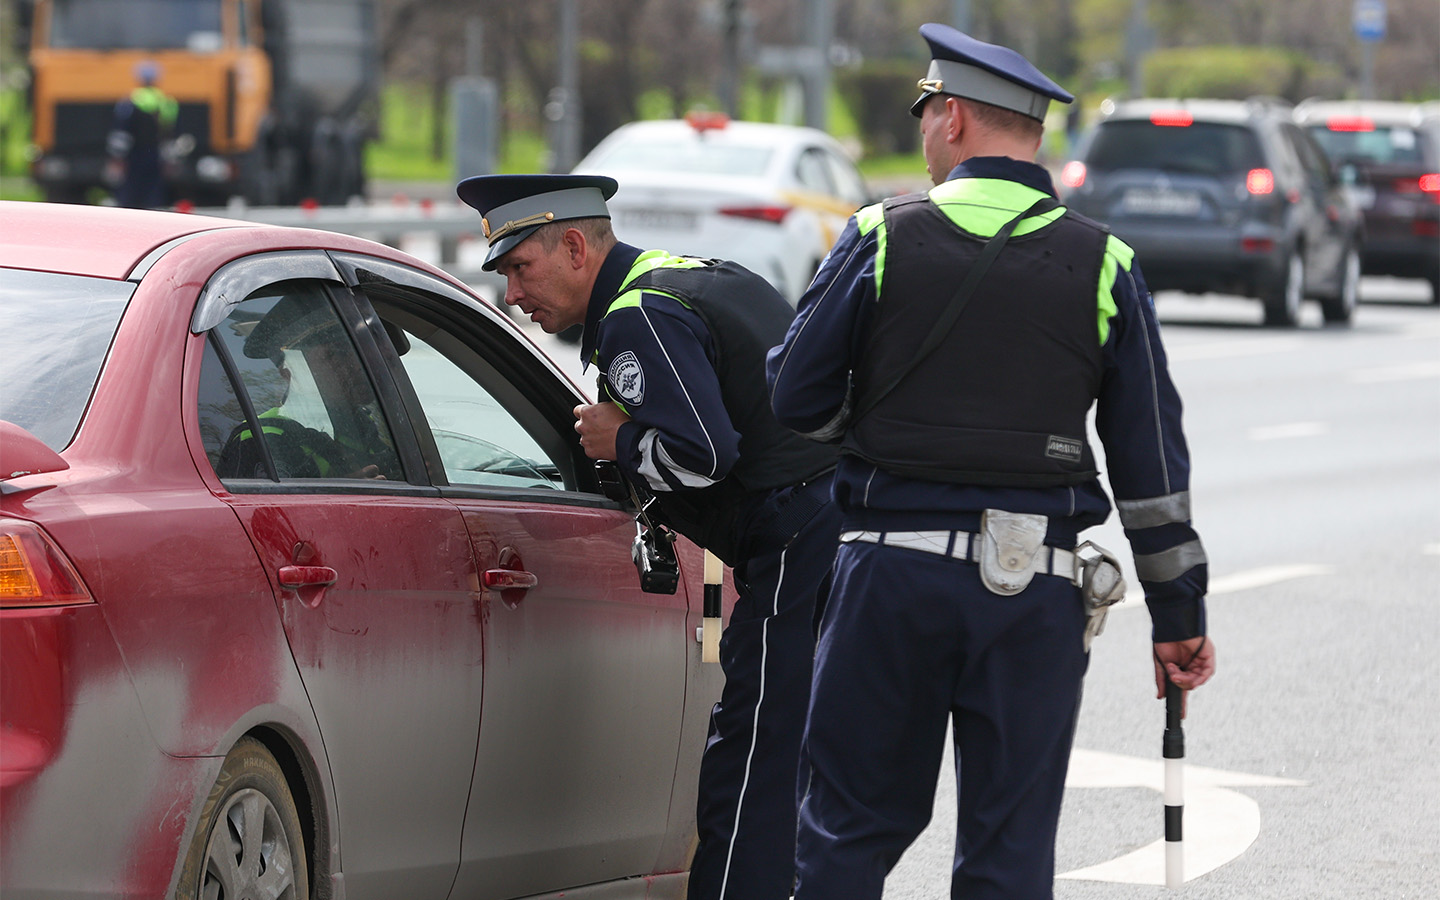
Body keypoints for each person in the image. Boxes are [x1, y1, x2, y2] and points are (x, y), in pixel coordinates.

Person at [766, 24, 1216, 900]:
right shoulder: (1105, 264)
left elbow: (794, 399)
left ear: (956, 121)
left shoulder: (881, 236)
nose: (924, 129)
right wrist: (1178, 615)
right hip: (1033, 595)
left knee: (846, 835)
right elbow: (1150, 466)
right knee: (1008, 859)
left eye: (927, 111)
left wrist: (879, 431)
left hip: (887, 585)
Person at [457, 173, 841, 900]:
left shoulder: (637, 315)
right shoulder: (685, 277)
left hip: (796, 536)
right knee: (800, 753)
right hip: (827, 521)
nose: (512, 293)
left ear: (573, 246)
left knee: (751, 758)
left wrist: (621, 439)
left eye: (519, 268)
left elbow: (706, 454)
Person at [218, 291, 404, 481]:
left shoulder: (367, 430)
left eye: (355, 353)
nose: (358, 364)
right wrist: (343, 495)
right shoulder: (261, 439)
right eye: (335, 356)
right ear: (290, 373)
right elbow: (264, 510)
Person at [106, 61, 178, 209]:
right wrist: (170, 160)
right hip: (156, 155)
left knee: (129, 195)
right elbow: (170, 134)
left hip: (134, 155)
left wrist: (117, 158)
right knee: (154, 195)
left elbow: (122, 134)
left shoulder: (130, 101)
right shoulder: (166, 102)